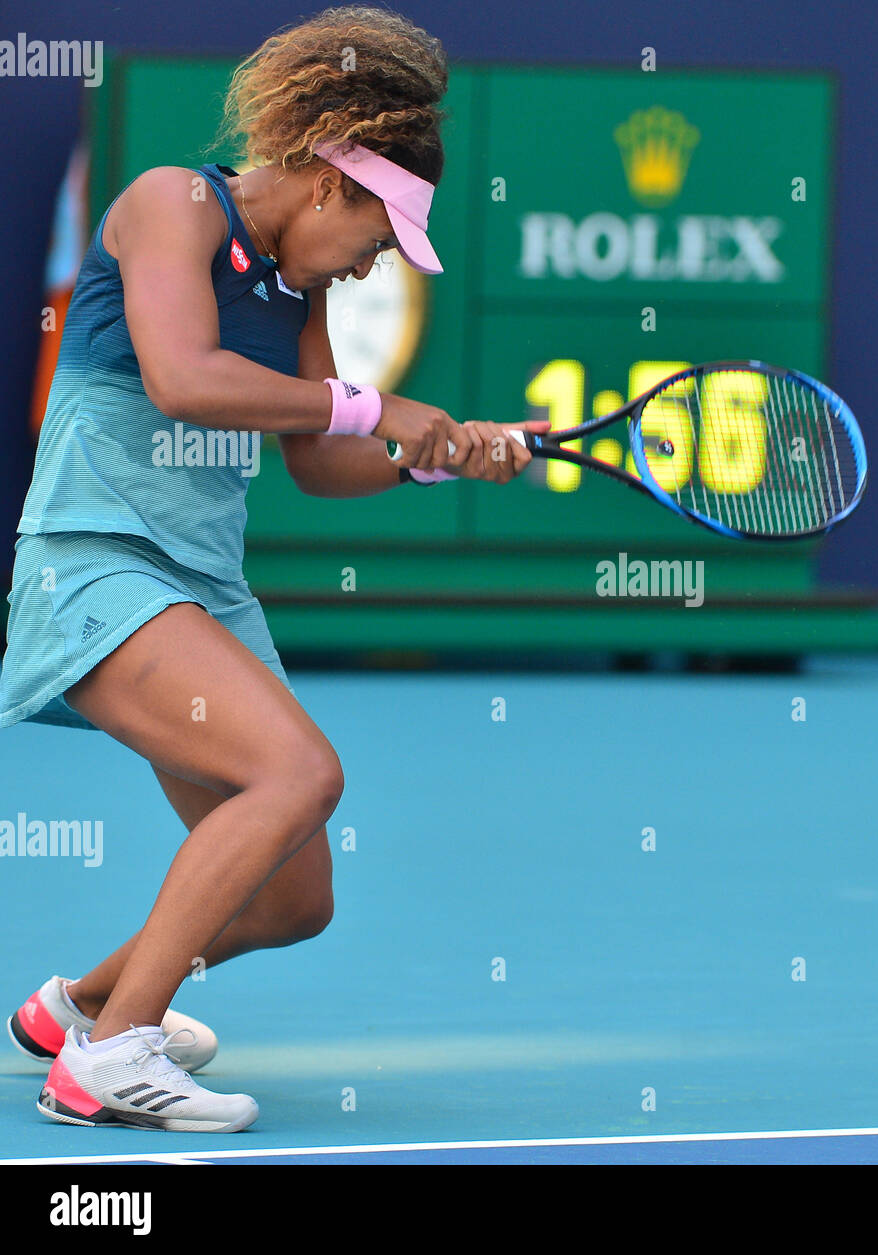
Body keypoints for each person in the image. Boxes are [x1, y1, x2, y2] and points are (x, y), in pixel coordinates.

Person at [1, 6, 542, 1132]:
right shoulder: (172, 203)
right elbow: (184, 382)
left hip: (201, 588)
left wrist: (432, 458)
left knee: (294, 897)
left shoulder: (302, 297)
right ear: (326, 181)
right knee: (300, 772)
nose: (376, 259)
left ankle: (76, 1006)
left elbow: (323, 467)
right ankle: (108, 1059)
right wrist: (379, 403)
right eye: (377, 233)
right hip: (98, 565)